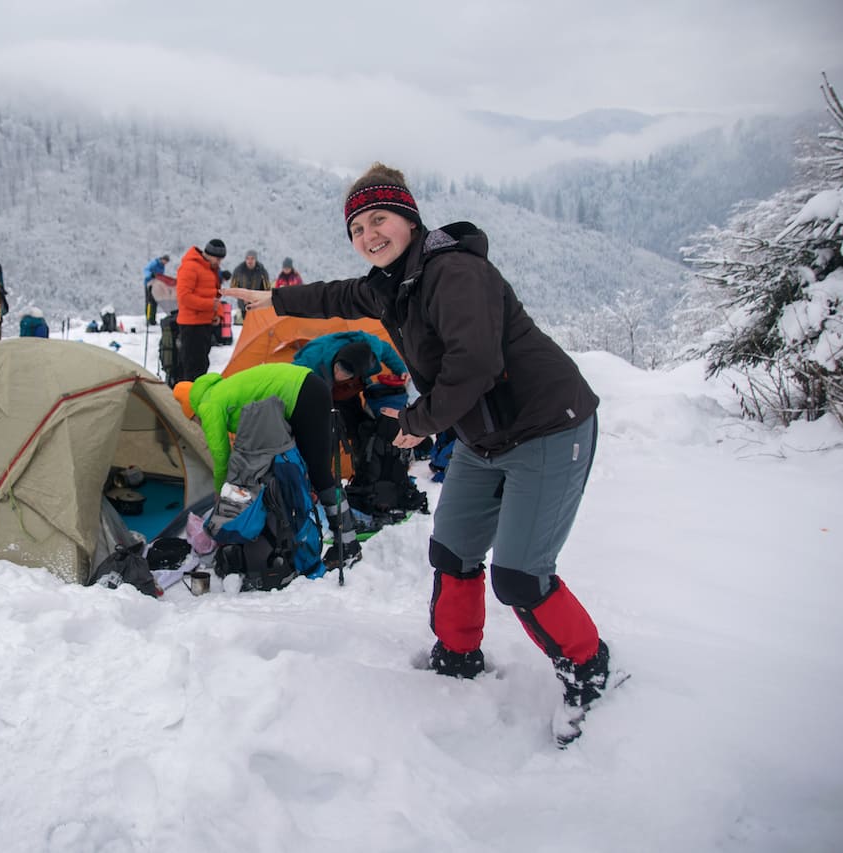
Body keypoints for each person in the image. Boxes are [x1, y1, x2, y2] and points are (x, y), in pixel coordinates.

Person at [225, 162, 609, 742]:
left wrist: (416, 423)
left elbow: (473, 366)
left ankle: (589, 669)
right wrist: (273, 304)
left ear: (407, 217)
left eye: (378, 220)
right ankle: (457, 657)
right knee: (452, 549)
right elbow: (333, 295)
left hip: (548, 427)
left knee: (521, 577)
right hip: (484, 436)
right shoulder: (389, 284)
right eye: (356, 229)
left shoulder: (454, 272)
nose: (368, 236)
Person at [172, 362, 359, 568]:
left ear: (193, 412)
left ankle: (348, 545)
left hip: (304, 394)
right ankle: (336, 539)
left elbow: (220, 454)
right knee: (308, 469)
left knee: (321, 474)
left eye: (194, 421)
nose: (198, 425)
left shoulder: (208, 405)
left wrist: (220, 490)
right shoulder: (221, 390)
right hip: (308, 386)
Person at [292, 330, 409, 454]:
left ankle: (366, 455)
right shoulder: (311, 362)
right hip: (320, 390)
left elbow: (385, 350)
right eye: (338, 368)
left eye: (345, 373)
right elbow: (291, 381)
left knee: (357, 423)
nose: (339, 374)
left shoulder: (370, 352)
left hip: (346, 391)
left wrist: (400, 370)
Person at [174, 238, 226, 382]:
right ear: (208, 254)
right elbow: (184, 297)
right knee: (192, 367)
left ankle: (195, 396)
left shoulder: (211, 270)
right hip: (191, 325)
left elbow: (216, 294)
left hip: (205, 324)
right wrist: (210, 305)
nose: (219, 262)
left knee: (202, 365)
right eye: (217, 258)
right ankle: (188, 398)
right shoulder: (190, 267)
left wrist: (218, 314)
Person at [229, 249, 270, 317]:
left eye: (252, 258)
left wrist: (257, 298)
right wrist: (243, 297)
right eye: (247, 258)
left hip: (257, 305)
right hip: (243, 305)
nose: (249, 261)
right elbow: (233, 287)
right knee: (247, 324)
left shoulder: (262, 271)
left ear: (255, 259)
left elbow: (267, 289)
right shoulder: (238, 270)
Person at [143, 253, 171, 326]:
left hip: (156, 285)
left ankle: (153, 319)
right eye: (165, 261)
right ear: (162, 259)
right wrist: (150, 275)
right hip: (149, 284)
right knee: (149, 302)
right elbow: (146, 270)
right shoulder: (154, 263)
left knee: (155, 302)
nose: (165, 263)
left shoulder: (162, 266)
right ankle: (148, 318)